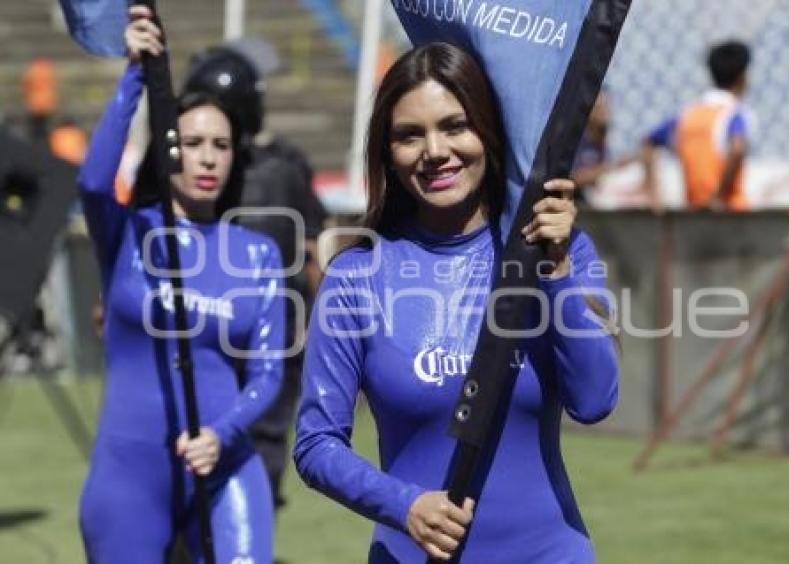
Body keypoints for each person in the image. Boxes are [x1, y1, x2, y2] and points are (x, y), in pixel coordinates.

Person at [294, 42, 619, 563]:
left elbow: (595, 398)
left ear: (488, 132)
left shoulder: (555, 249)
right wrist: (405, 505)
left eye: (454, 126)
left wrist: (556, 272)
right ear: (387, 152)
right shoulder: (357, 277)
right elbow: (315, 446)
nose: (435, 151)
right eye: (409, 135)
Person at [77, 6, 284, 562]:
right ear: (169, 149)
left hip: (223, 466)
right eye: (192, 143)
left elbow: (267, 373)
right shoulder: (129, 232)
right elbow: (93, 179)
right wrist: (135, 76)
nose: (207, 158)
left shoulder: (256, 253)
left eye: (220, 144)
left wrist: (222, 433)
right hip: (129, 477)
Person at [181, 43, 328, 518]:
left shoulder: (192, 178)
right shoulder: (285, 170)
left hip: (219, 336)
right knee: (259, 446)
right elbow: (313, 253)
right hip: (276, 338)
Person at [641, 40, 753, 211]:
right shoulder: (734, 114)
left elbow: (648, 142)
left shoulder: (686, 116)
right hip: (731, 212)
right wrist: (718, 197)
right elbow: (737, 149)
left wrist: (653, 196)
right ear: (742, 77)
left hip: (695, 212)